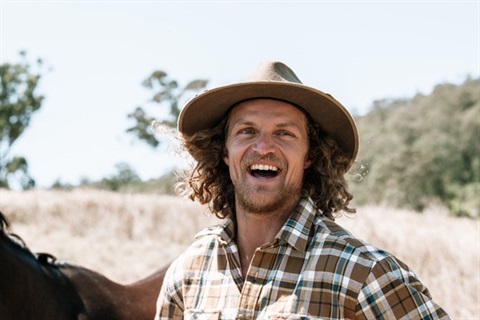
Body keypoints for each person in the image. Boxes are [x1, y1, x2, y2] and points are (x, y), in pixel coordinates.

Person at [154, 61, 449, 319]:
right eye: (247, 131)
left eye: (284, 133)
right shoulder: (188, 273)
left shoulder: (364, 274)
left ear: (310, 156)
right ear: (225, 152)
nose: (263, 147)